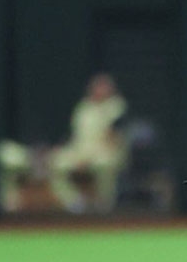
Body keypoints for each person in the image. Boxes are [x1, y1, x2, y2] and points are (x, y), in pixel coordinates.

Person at [47, 73, 128, 213]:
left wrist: (88, 158)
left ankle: (105, 205)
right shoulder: (83, 107)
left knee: (104, 163)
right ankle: (73, 202)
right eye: (98, 87)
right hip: (80, 152)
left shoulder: (117, 107)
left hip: (106, 153)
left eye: (104, 87)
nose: (101, 90)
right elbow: (74, 135)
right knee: (55, 162)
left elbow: (115, 138)